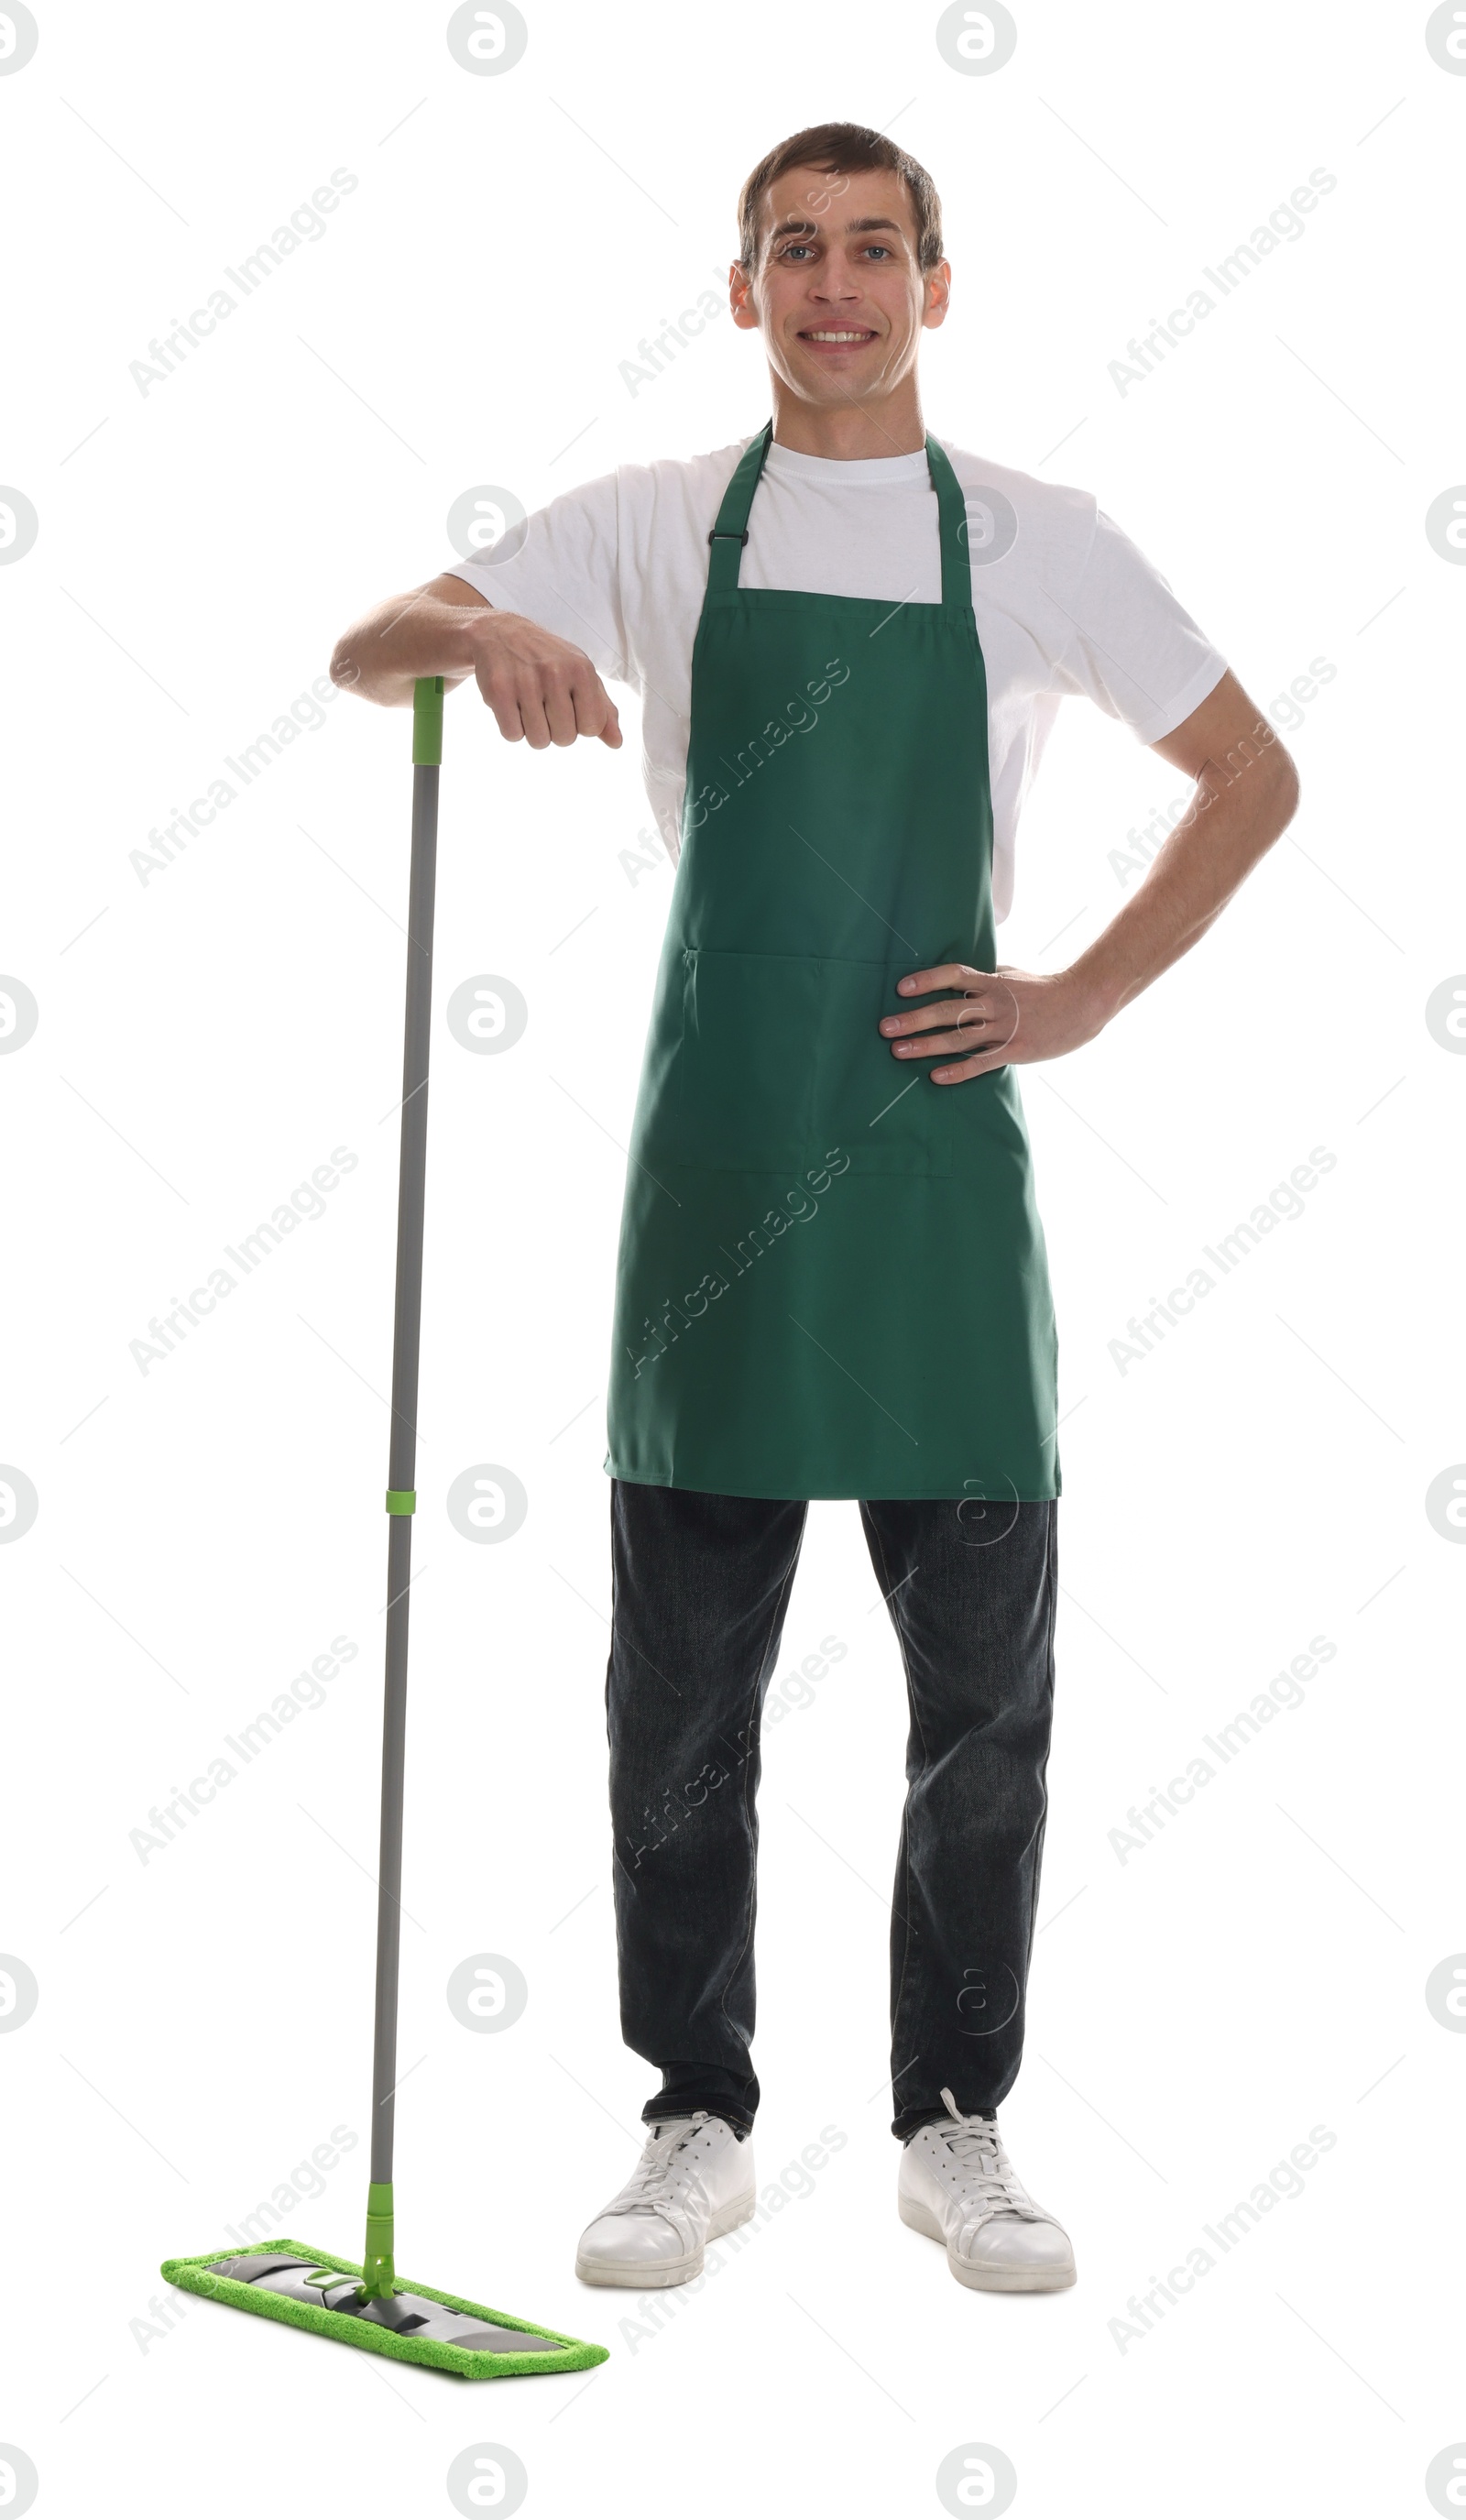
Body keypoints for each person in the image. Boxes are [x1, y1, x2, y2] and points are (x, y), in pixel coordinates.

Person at [331, 121, 1297, 2298]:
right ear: (744, 286)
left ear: (933, 287)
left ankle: (954, 2123)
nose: (835, 286)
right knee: (676, 1706)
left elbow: (1252, 775)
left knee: (980, 1704)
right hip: (723, 1190)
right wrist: (475, 640)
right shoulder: (664, 521)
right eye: (796, 252)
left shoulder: (1039, 541)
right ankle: (692, 2114)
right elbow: (363, 643)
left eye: (875, 251)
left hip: (939, 1197)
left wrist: (1067, 999)